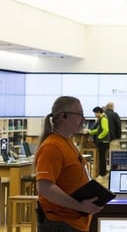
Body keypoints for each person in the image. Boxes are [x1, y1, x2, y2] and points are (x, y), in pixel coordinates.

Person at [35, 96, 103, 232]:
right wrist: (80, 206)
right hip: (60, 224)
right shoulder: (52, 146)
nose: (83, 120)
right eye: (79, 115)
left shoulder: (66, 142)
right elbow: (44, 187)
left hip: (71, 223)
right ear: (63, 116)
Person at [88, 106, 110, 177]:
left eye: (95, 113)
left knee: (102, 158)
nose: (95, 115)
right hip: (103, 141)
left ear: (98, 112)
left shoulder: (103, 119)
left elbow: (106, 130)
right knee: (102, 158)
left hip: (103, 142)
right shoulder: (101, 119)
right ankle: (102, 172)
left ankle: (102, 173)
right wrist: (90, 132)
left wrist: (99, 137)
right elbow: (98, 130)